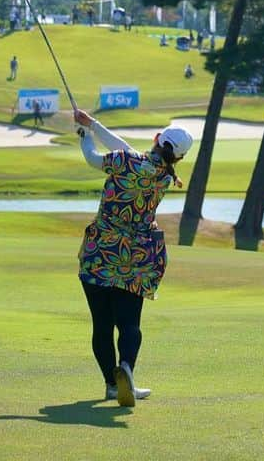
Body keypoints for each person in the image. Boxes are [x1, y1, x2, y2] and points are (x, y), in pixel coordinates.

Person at [73, 109, 192, 408]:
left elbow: (94, 158)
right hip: (134, 260)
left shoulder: (124, 161)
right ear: (178, 158)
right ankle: (126, 368)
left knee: (101, 325)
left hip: (99, 253)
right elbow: (128, 150)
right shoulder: (165, 177)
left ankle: (112, 386)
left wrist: (85, 134)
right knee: (129, 323)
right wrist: (93, 125)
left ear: (156, 139)